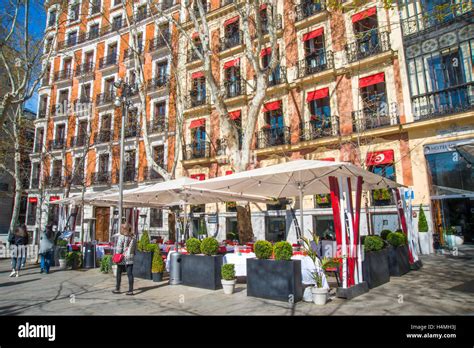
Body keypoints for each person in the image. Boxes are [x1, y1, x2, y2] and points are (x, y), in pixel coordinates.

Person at [113, 222, 136, 295]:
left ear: (123, 229)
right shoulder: (133, 237)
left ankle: (117, 288)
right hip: (130, 256)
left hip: (122, 257)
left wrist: (117, 255)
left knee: (119, 272)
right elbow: (135, 248)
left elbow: (119, 248)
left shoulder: (121, 237)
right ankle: (130, 290)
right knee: (130, 274)